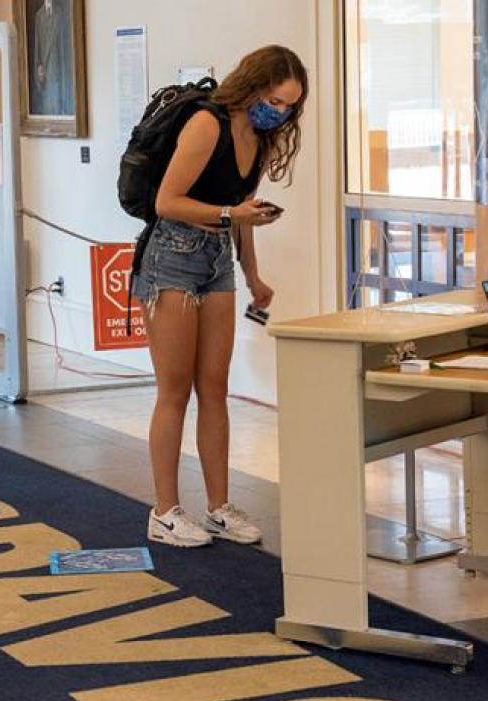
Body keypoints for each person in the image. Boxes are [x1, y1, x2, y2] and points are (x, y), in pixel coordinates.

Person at [133, 46, 307, 547]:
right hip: (171, 258)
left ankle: (218, 505)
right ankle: (164, 510)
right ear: (253, 86)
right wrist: (233, 217)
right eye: (275, 101)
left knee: (215, 387)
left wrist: (254, 275)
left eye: (290, 106)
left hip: (215, 262)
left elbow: (242, 212)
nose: (280, 112)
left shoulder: (262, 137)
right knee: (174, 389)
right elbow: (168, 202)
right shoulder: (207, 124)